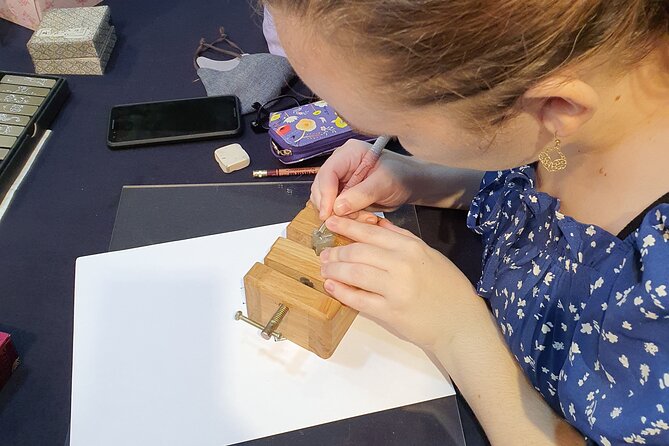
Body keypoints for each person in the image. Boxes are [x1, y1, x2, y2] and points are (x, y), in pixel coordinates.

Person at [263, 1, 669, 444]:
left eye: (396, 128)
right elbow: (538, 178)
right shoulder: (593, 105)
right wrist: (422, 177)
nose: (387, 140)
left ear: (556, 104)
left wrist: (457, 330)